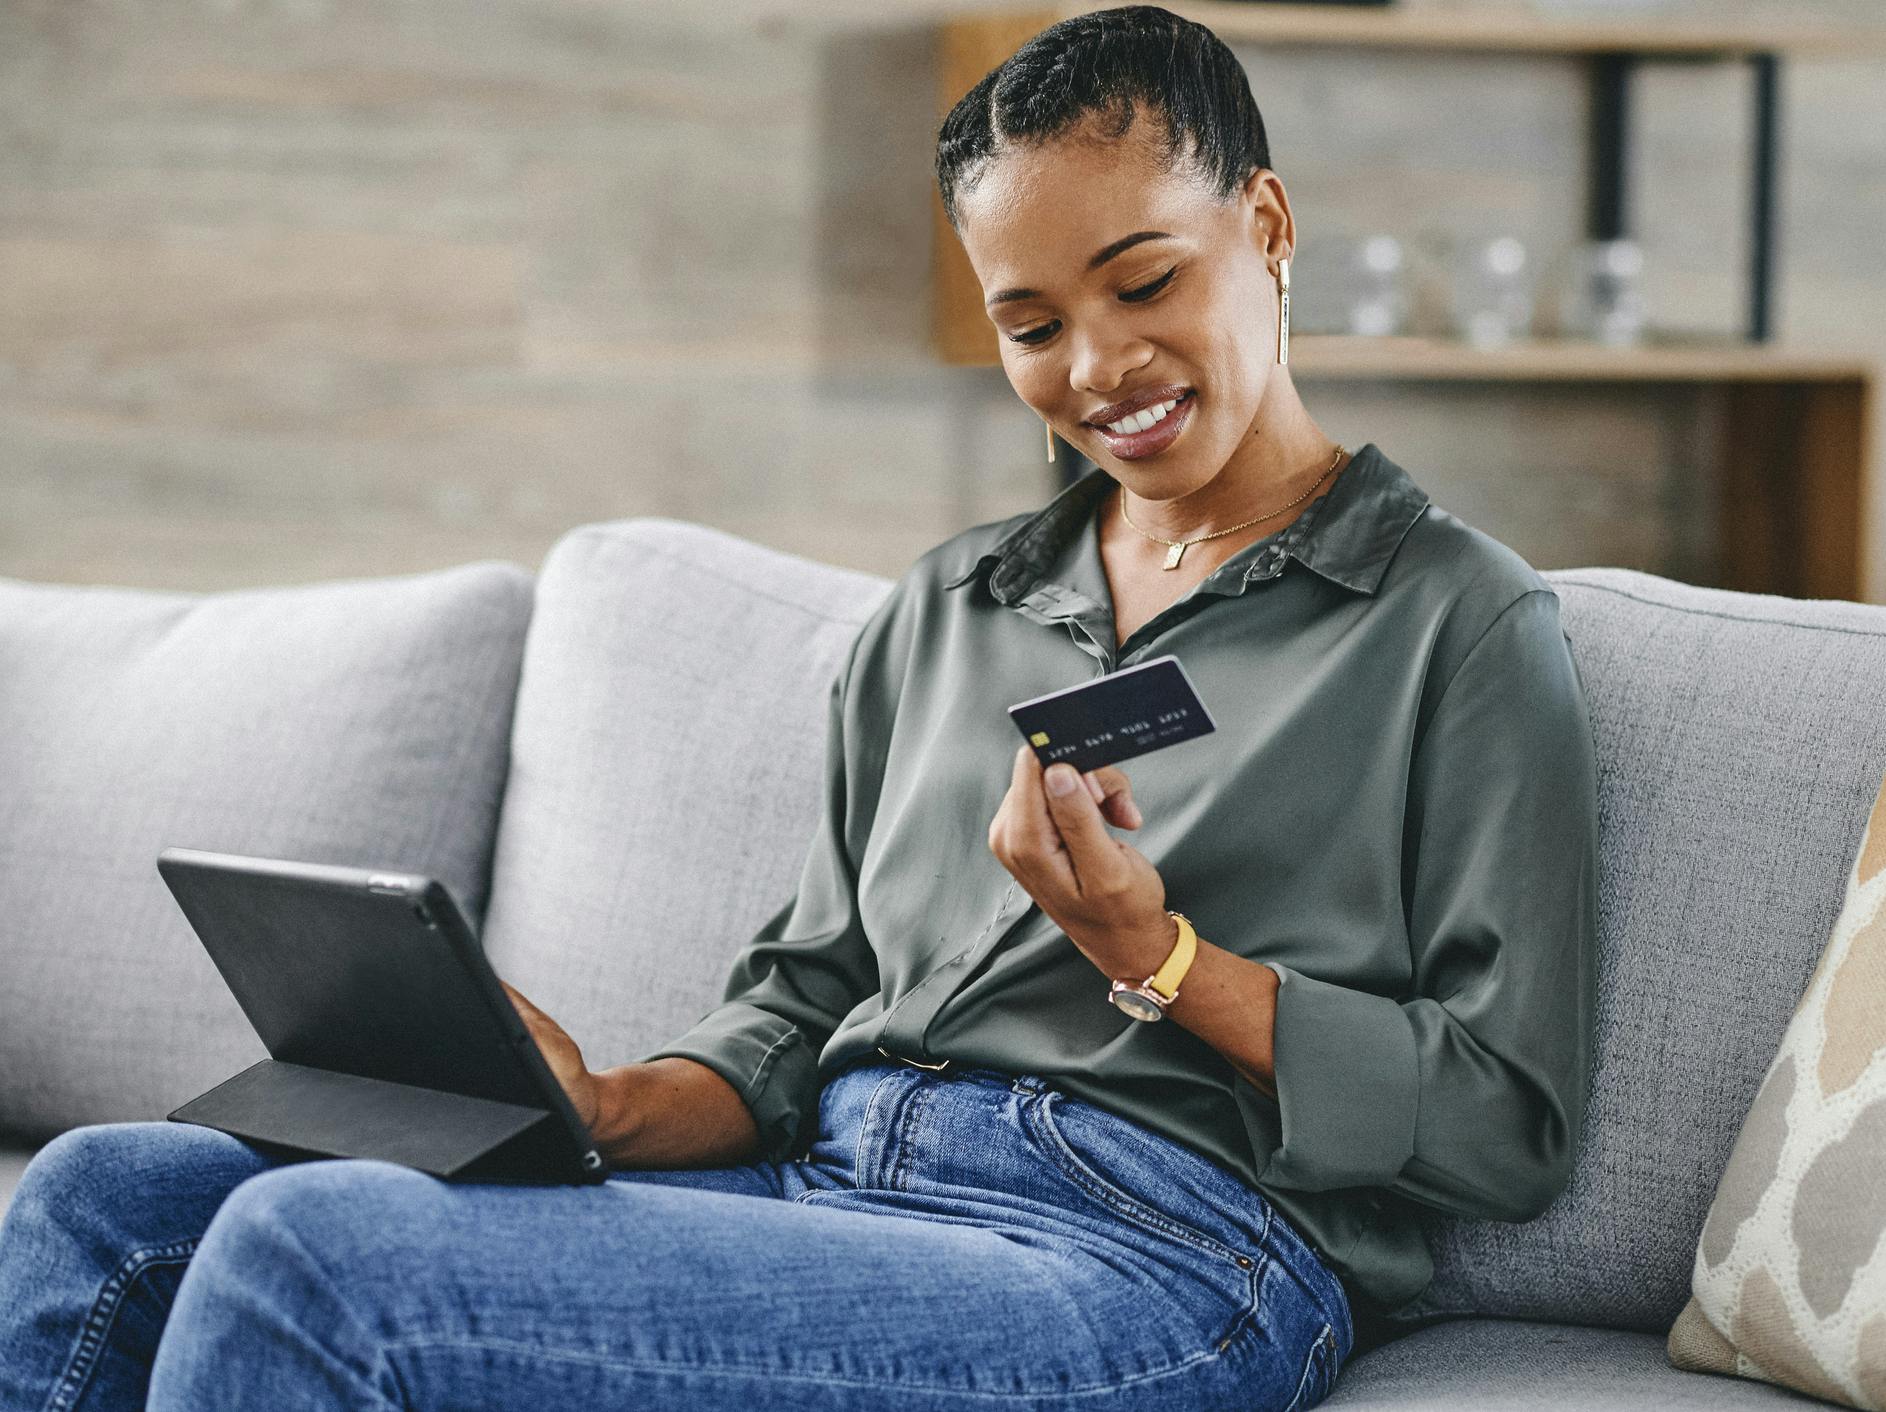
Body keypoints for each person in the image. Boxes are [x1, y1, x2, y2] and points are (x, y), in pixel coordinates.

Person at [0, 7, 1599, 1410]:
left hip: (1157, 1255)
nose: (1096, 363)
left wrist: (1155, 960)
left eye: (1142, 281)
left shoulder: (1448, 620)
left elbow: (1503, 1122)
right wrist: (611, 1106)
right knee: (105, 1194)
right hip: (833, 1182)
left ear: (1262, 223)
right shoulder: (947, 612)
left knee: (319, 1257)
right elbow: (805, 998)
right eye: (1031, 325)